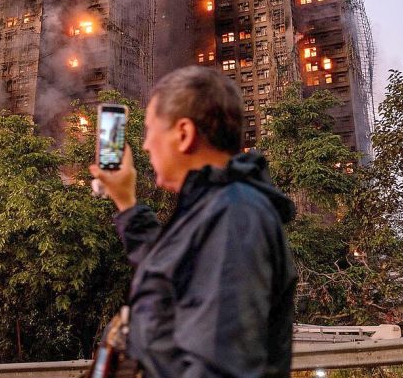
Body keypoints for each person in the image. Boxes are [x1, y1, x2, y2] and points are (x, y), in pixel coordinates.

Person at [90, 66, 297, 378]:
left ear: (184, 134)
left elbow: (219, 367)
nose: (145, 146)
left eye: (149, 130)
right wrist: (126, 202)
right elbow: (172, 273)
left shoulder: (235, 215)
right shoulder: (214, 207)